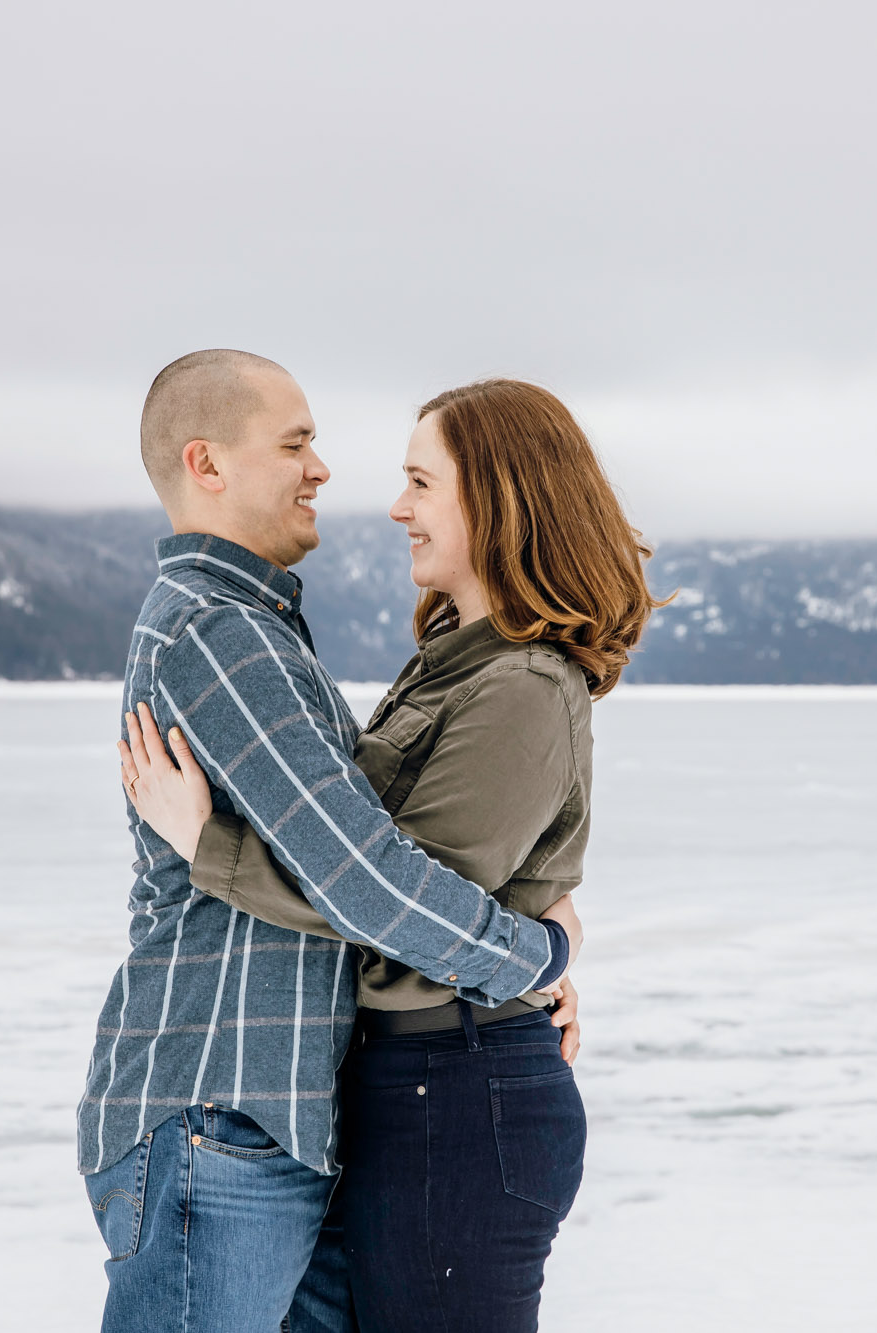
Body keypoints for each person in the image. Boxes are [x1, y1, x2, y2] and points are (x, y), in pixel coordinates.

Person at [121, 377, 660, 1332]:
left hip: (458, 1094)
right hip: (412, 1086)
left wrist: (211, 847)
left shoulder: (524, 684)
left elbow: (393, 906)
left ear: (497, 499)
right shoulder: (452, 659)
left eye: (420, 482)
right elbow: (398, 884)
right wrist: (535, 949)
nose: (394, 505)